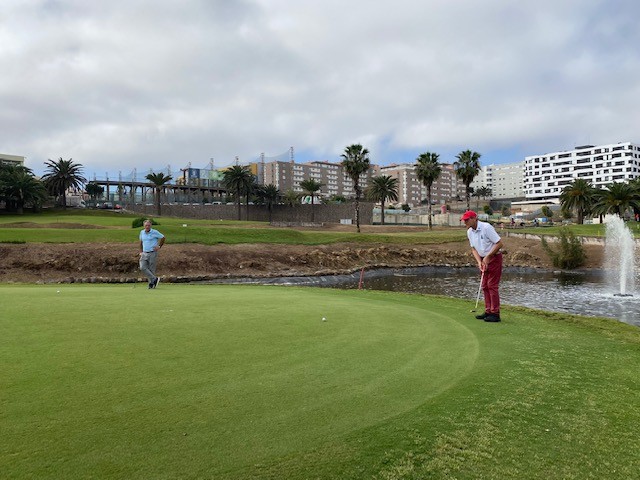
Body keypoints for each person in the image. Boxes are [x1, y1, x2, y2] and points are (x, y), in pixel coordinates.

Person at [460, 210, 504, 322]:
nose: (465, 222)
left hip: (494, 258)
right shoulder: (469, 232)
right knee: (484, 285)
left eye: (467, 220)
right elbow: (473, 249)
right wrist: (479, 261)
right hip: (483, 259)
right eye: (464, 220)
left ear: (474, 218)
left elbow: (499, 243)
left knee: (492, 285)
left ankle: (495, 313)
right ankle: (488, 310)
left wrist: (488, 257)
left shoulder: (486, 227)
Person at [139, 219, 165, 289]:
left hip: (152, 253)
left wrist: (159, 246)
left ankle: (151, 284)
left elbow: (163, 237)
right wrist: (141, 251)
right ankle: (154, 279)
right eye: (146, 225)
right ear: (143, 226)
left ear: (151, 225)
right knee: (142, 267)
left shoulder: (154, 232)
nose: (147, 227)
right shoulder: (142, 232)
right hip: (144, 253)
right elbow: (141, 242)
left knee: (151, 269)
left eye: (148, 225)